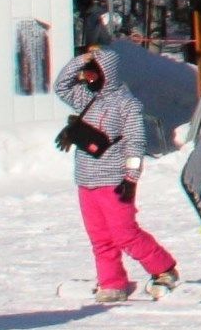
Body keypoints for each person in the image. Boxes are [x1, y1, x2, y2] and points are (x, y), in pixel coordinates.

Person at [54, 43, 179, 303]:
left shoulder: (127, 104)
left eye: (92, 72)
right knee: (100, 237)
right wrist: (84, 59)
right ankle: (112, 282)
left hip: (114, 181)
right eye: (85, 73)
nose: (86, 78)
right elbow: (61, 86)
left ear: (106, 73)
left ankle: (164, 269)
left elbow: (136, 143)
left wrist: (131, 179)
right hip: (86, 180)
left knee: (125, 234)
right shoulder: (86, 98)